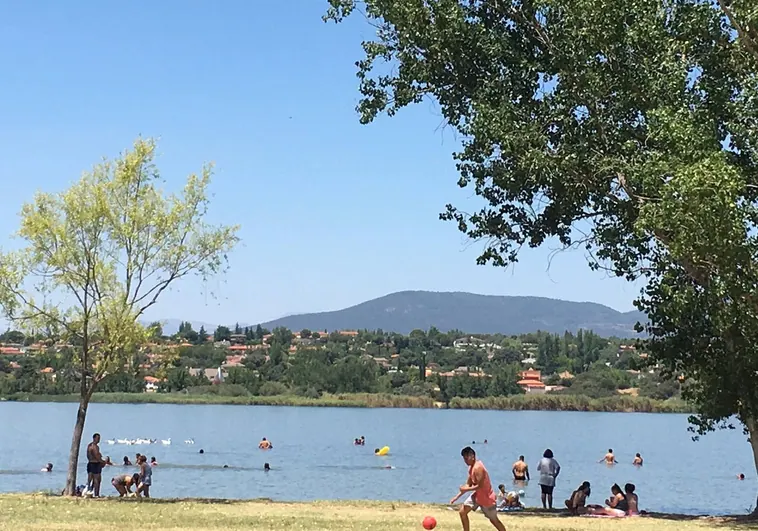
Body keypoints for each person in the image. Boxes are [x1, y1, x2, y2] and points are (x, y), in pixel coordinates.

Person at [449, 446, 506, 531]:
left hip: (487, 498)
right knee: (462, 512)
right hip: (477, 496)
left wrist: (465, 490)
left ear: (473, 456)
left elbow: (480, 486)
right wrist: (456, 497)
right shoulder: (471, 468)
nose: (465, 461)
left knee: (494, 521)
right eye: (464, 459)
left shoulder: (478, 467)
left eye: (466, 458)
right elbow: (468, 484)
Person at [86, 433, 106, 497]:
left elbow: (89, 456)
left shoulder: (89, 445)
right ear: (94, 438)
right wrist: (103, 462)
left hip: (91, 464)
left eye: (99, 438)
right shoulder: (94, 447)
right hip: (95, 464)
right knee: (97, 480)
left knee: (91, 480)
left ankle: (90, 492)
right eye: (98, 438)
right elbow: (96, 455)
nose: (99, 440)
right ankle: (96, 494)